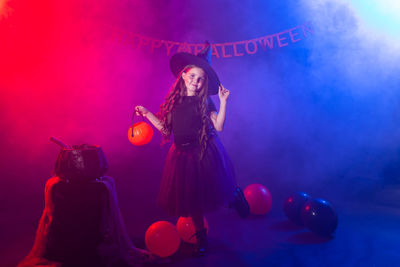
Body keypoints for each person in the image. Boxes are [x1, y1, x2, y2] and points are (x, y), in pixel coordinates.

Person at [135, 43, 248, 256]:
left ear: (205, 83)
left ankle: (234, 195)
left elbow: (220, 126)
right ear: (184, 76)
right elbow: (165, 130)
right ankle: (201, 237)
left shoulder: (206, 102)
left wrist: (223, 103)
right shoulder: (174, 102)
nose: (196, 81)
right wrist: (147, 114)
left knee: (218, 186)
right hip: (182, 156)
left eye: (201, 79)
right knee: (192, 200)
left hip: (204, 153)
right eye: (193, 76)